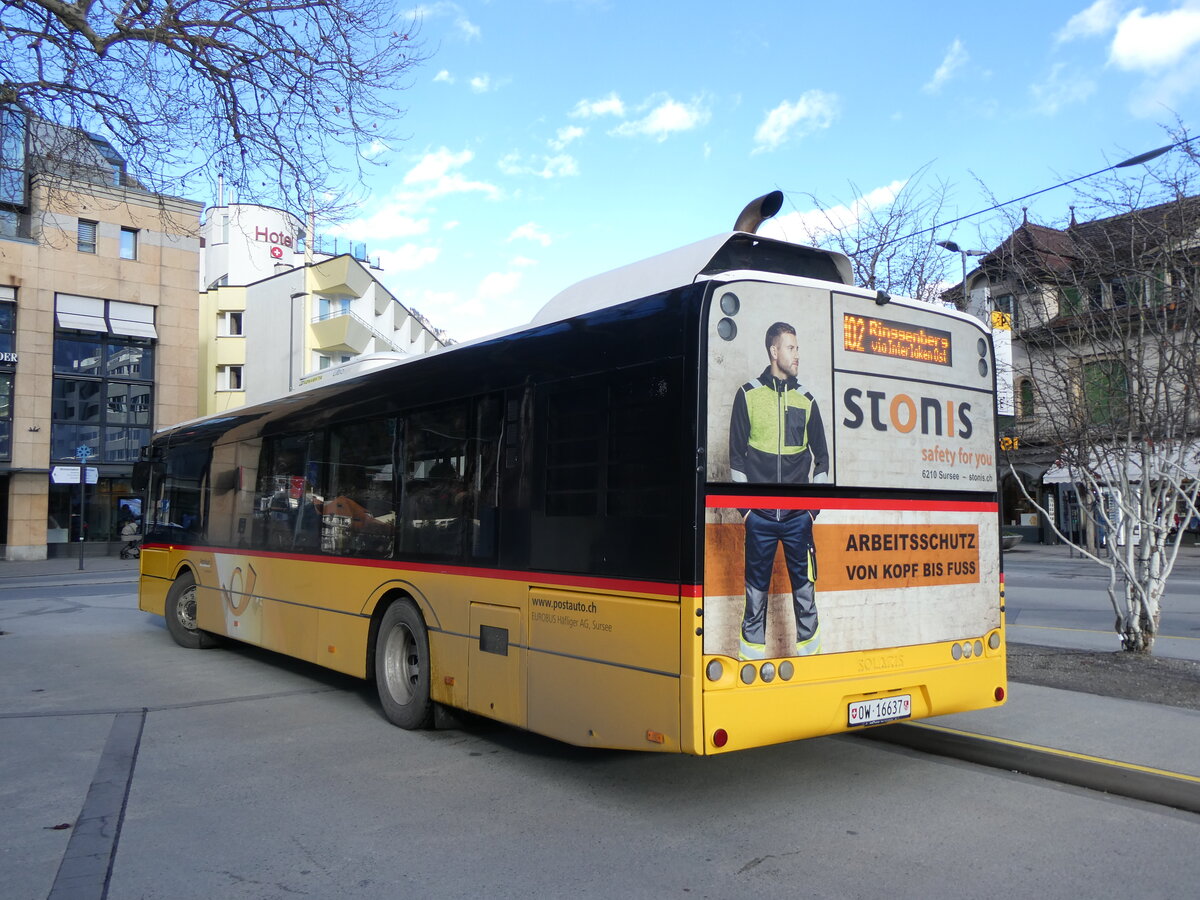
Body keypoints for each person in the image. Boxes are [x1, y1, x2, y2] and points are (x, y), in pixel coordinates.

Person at [728, 321, 830, 660]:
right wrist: (747, 512)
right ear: (774, 351)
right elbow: (736, 458)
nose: (797, 354)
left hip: (798, 519)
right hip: (759, 519)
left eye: (797, 348)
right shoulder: (748, 395)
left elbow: (823, 460)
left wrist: (811, 511)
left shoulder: (807, 400)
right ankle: (751, 662)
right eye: (791, 348)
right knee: (755, 596)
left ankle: (810, 661)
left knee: (805, 595)